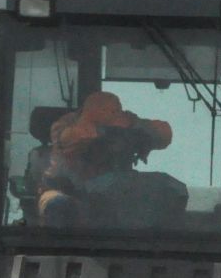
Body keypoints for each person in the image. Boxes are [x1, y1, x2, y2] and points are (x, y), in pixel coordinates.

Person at [36, 91, 177, 227]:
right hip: (67, 189)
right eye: (106, 110)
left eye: (116, 110)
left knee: (169, 192)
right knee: (58, 206)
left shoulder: (128, 121)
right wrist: (100, 129)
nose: (114, 114)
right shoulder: (66, 124)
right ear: (90, 110)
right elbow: (73, 137)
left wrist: (137, 131)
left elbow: (164, 134)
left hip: (112, 194)